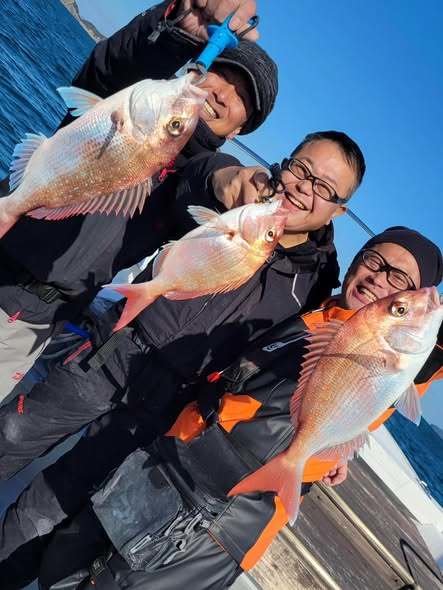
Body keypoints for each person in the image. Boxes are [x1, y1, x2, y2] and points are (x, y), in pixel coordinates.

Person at [0, 129, 366, 583]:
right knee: (10, 434)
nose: (303, 188)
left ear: (338, 210)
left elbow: (330, 363)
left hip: (167, 406)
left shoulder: (317, 284)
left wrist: (336, 442)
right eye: (302, 169)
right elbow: (197, 175)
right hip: (114, 351)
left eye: (323, 188)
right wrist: (224, 180)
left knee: (51, 506)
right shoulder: (244, 193)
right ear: (285, 161)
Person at [2, 227, 440, 590]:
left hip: (224, 520)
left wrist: (334, 447)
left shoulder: (413, 357)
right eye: (374, 261)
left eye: (399, 281)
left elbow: (378, 384)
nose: (379, 279)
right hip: (166, 461)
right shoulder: (314, 311)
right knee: (62, 563)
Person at [0, 0, 277, 401]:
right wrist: (177, 28)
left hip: (27, 319)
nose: (222, 94)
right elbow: (112, 67)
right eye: (225, 75)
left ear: (237, 131)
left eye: (242, 98)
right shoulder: (133, 97)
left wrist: (228, 184)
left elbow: (203, 183)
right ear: (200, 66)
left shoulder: (194, 174)